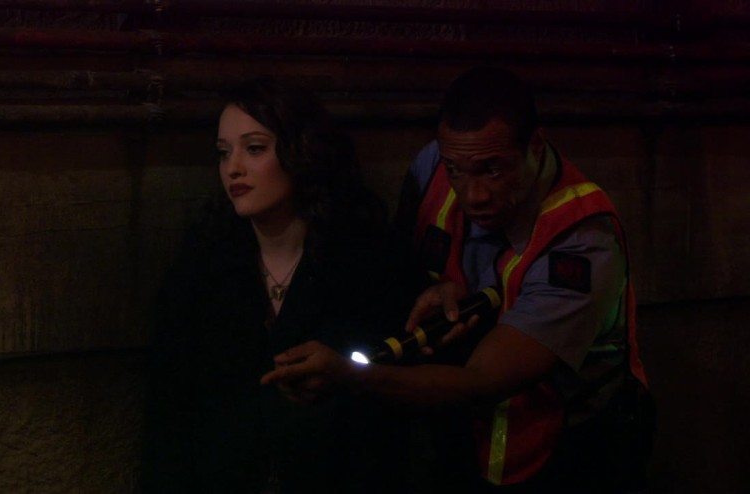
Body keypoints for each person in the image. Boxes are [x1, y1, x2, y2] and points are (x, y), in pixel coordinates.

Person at [261, 66, 655, 493]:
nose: (472, 195)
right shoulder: (435, 164)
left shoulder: (581, 241)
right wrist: (427, 288)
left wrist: (348, 376)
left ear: (535, 148)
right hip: (456, 443)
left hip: (569, 453)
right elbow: (395, 266)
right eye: (458, 171)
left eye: (492, 171)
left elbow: (483, 381)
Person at [140, 77, 416, 493]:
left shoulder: (362, 262)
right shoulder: (203, 266)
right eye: (223, 153)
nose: (233, 168)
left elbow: (386, 412)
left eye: (254, 148)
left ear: (300, 151)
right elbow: (168, 410)